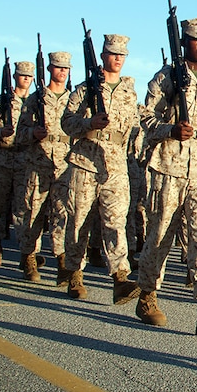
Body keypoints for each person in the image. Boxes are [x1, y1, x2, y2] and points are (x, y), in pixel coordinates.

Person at [135, 17, 197, 334]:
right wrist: (170, 129)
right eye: (195, 40)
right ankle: (147, 294)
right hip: (168, 164)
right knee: (161, 232)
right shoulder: (165, 77)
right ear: (183, 42)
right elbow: (146, 119)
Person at [61, 33, 141, 304]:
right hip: (85, 161)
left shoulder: (130, 93)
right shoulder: (85, 90)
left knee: (116, 221)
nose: (117, 59)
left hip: (116, 164)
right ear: (103, 56)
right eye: (113, 54)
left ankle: (120, 278)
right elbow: (66, 123)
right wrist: (88, 124)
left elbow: (131, 129)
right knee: (78, 221)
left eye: (122, 55)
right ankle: (74, 273)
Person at [16, 51, 74, 283]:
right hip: (37, 163)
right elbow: (18, 134)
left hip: (63, 165)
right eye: (58, 67)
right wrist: (32, 133)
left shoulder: (73, 100)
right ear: (49, 69)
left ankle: (62, 262)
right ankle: (29, 257)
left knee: (62, 215)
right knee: (32, 213)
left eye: (66, 68)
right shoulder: (36, 99)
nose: (62, 71)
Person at [0, 60, 34, 268]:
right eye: (22, 75)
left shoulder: (36, 101)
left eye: (29, 76)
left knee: (24, 208)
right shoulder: (0, 102)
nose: (26, 79)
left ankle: (26, 255)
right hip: (1, 159)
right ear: (15, 77)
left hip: (26, 160)